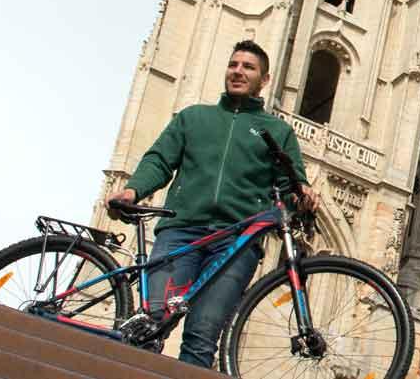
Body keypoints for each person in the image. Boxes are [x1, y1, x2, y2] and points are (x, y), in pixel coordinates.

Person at [108, 40, 317, 369]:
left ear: (264, 79)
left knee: (202, 338)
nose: (238, 71)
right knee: (151, 326)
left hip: (235, 247)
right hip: (180, 232)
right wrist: (133, 191)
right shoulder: (194, 118)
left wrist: (303, 196)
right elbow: (160, 161)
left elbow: (291, 185)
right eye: (233, 65)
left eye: (248, 67)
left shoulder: (277, 131)